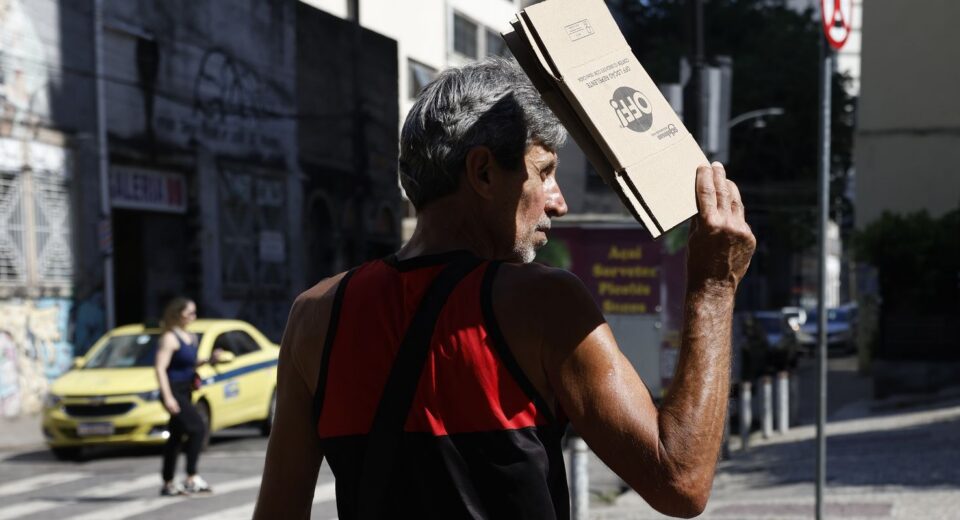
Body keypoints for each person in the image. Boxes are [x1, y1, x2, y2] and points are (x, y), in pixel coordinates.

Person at [255, 57, 755, 519]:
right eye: (545, 172)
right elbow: (680, 480)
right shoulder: (543, 305)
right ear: (483, 172)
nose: (557, 203)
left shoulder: (316, 314)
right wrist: (713, 287)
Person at [154, 297, 221, 496]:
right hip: (173, 391)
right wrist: (168, 397)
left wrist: (209, 360)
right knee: (198, 428)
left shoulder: (191, 337)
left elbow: (189, 364)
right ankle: (191, 477)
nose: (194, 316)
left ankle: (168, 483)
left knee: (175, 437)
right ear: (178, 314)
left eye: (195, 312)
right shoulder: (169, 338)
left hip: (186, 390)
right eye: (190, 312)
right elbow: (160, 368)